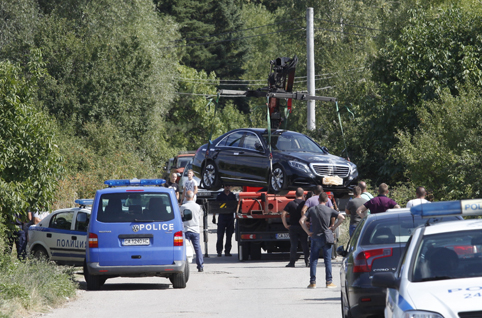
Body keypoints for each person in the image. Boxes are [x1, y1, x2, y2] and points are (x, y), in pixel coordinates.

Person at [300, 192, 345, 289]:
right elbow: (342, 217)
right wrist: (334, 227)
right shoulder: (329, 210)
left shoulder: (312, 209)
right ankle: (329, 282)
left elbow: (301, 221)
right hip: (327, 237)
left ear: (318, 200)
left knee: (313, 260)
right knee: (327, 260)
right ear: (327, 200)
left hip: (315, 236)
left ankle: (313, 282)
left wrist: (308, 231)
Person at [281, 187, 310, 268]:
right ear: (303, 194)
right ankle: (307, 262)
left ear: (295, 194)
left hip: (293, 227)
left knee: (294, 245)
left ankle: (292, 263)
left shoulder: (290, 203)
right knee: (304, 244)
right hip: (303, 226)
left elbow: (283, 214)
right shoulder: (305, 204)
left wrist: (285, 225)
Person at [180, 190, 204, 272]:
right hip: (195, 230)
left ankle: (184, 266)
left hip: (186, 229)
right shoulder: (198, 206)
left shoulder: (183, 207)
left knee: (185, 249)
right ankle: (200, 266)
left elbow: (181, 218)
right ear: (193, 196)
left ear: (186, 197)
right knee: (197, 248)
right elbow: (200, 216)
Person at [215, 186, 236, 257]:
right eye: (226, 186)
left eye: (229, 186)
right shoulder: (220, 195)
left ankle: (227, 251)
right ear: (224, 187)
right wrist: (214, 216)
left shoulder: (232, 195)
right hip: (222, 217)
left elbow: (235, 206)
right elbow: (216, 206)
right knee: (220, 235)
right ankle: (219, 251)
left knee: (229, 235)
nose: (227, 187)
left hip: (230, 217)